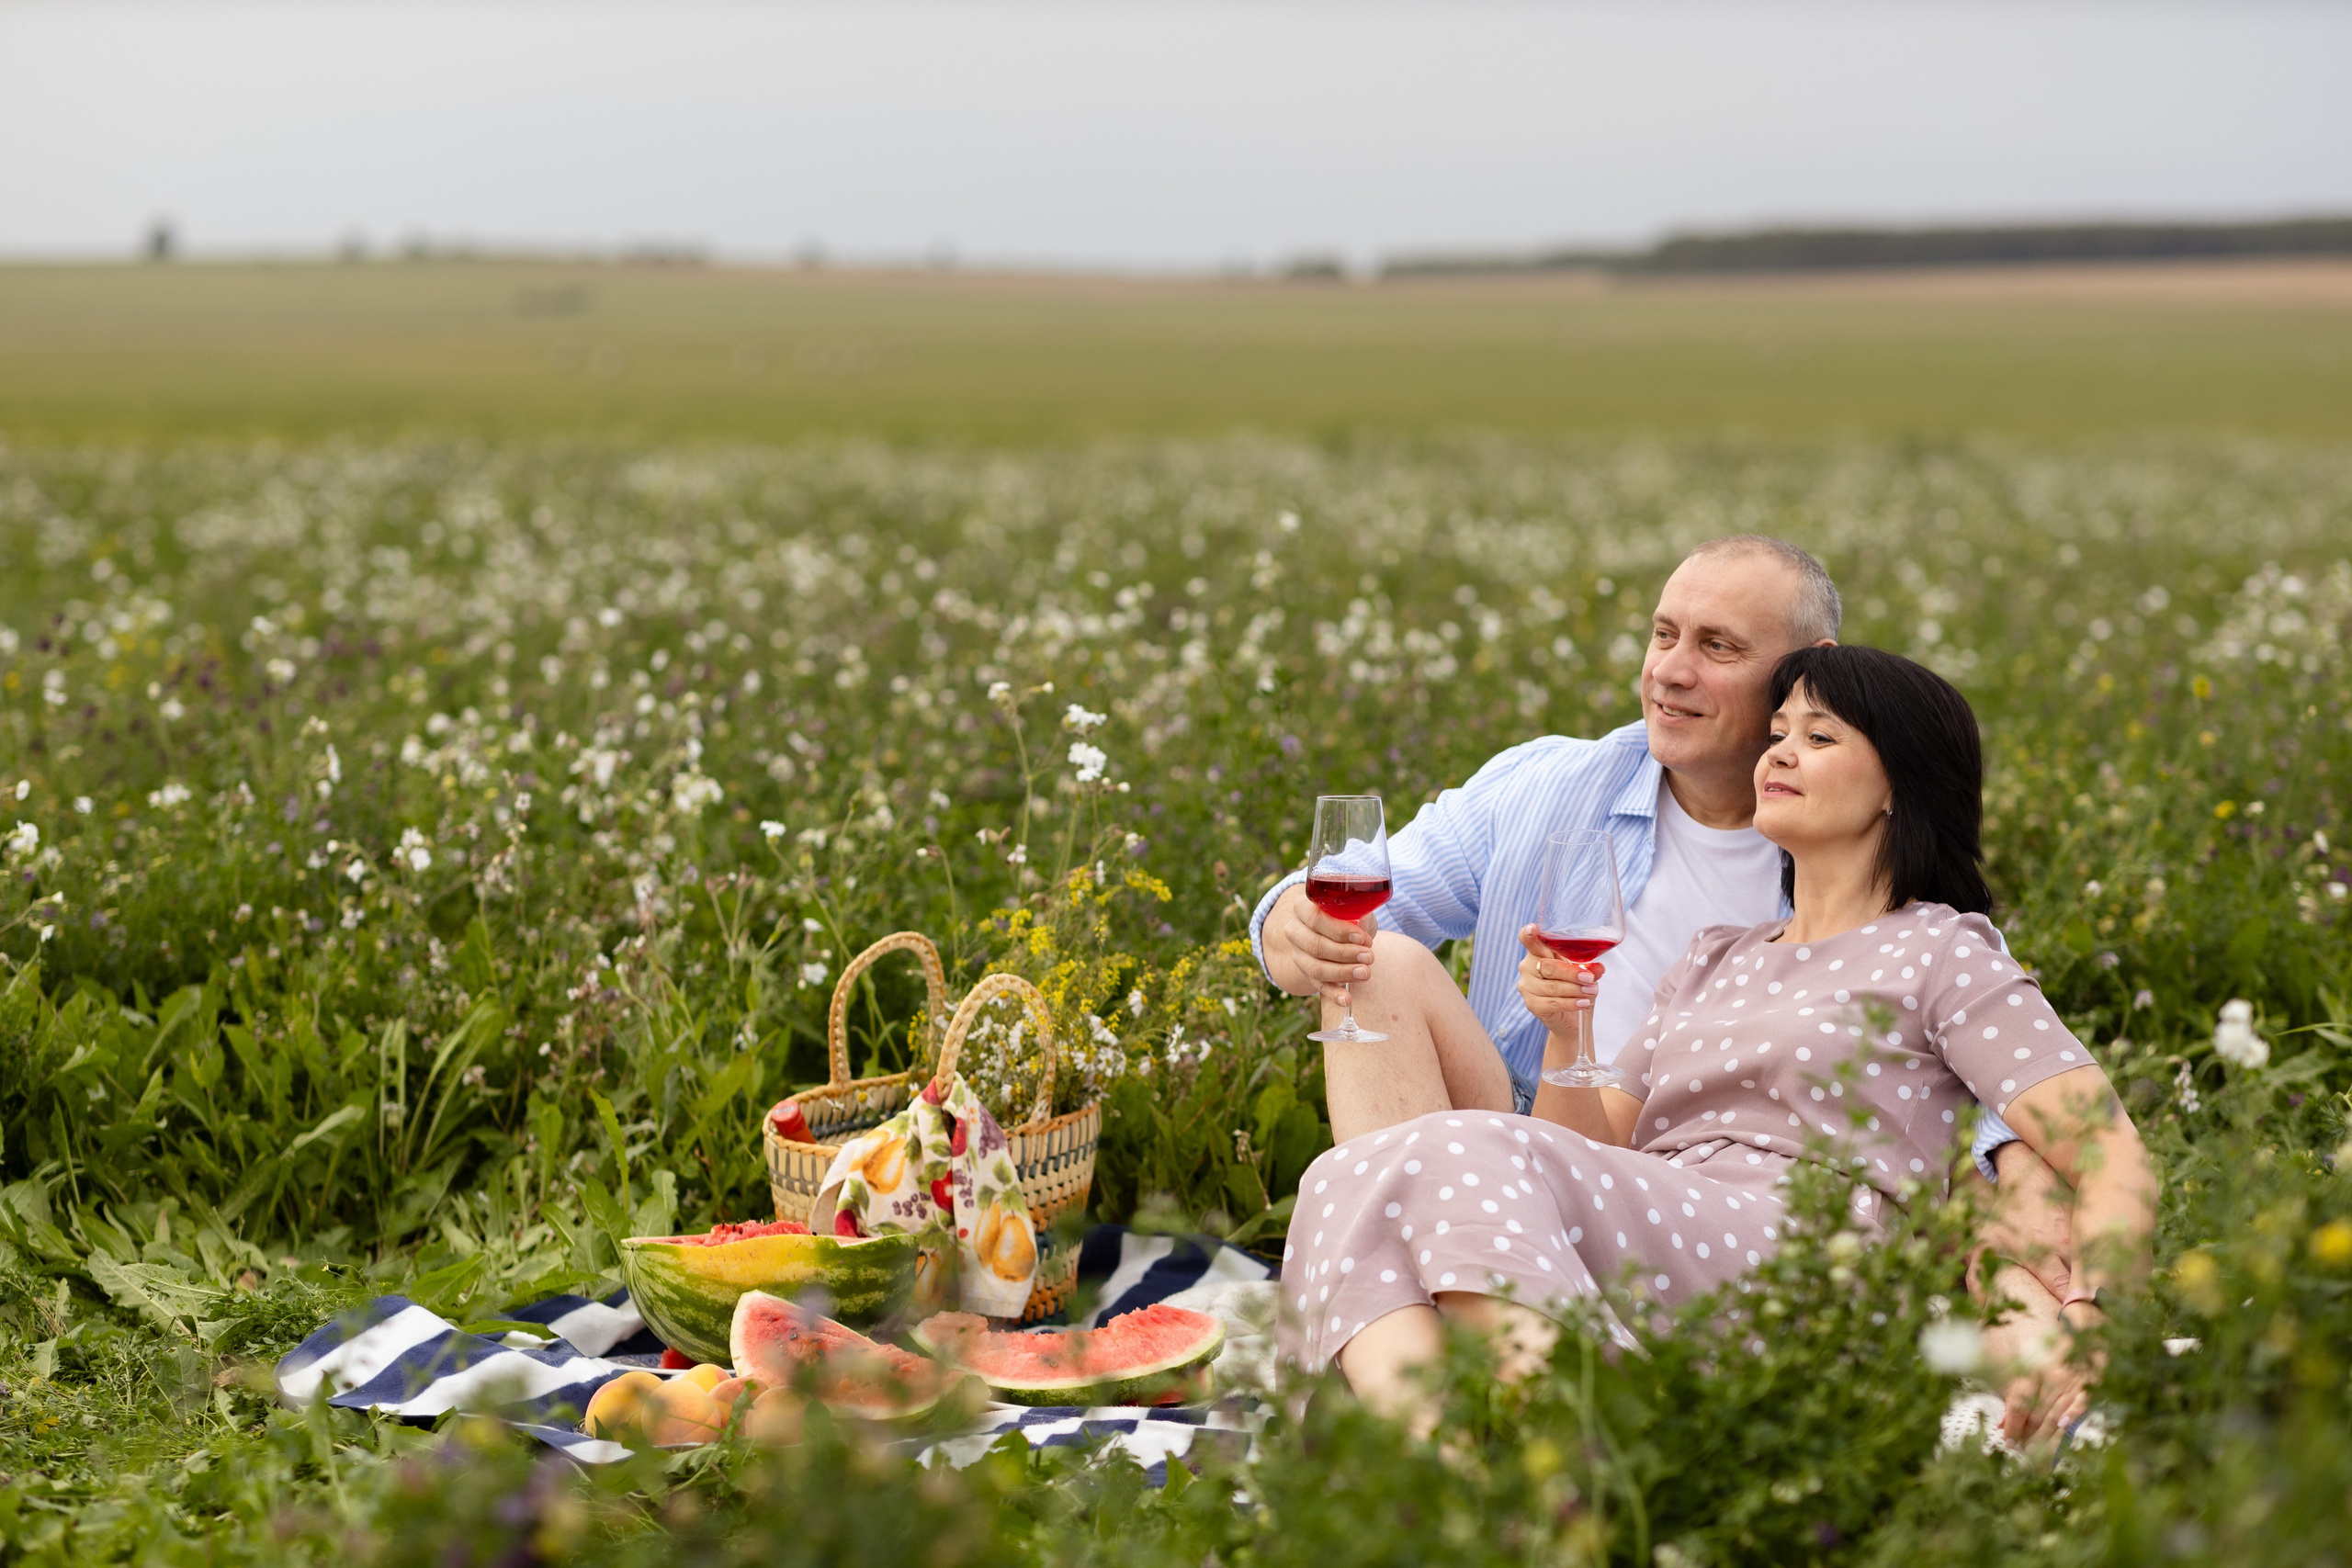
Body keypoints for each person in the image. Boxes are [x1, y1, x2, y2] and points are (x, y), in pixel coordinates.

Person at [1281, 646, 2159, 1445]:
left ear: (1899, 785)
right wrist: (1566, 1033)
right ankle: (1444, 1479)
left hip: (1810, 1256)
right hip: (1666, 1233)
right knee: (1342, 1174)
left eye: (1819, 736)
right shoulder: (1711, 958)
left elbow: (2109, 1149)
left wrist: (2092, 1311)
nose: (1779, 754)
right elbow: (1578, 1153)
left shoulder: (1942, 950)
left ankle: (1569, 1464)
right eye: (1777, 734)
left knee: (1440, 1150)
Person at [1252, 536, 2072, 1295]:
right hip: (1526, 1138)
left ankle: (1409, 1313)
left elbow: (1974, 1040)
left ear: (1810, 668)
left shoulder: (1850, 850)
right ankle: (1421, 1294)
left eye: (1718, 647)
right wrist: (1296, 927)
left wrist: (2021, 1166)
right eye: (1663, 635)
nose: (1670, 671)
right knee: (1378, 962)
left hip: (1725, 1194)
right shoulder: (1553, 784)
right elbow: (1355, 895)